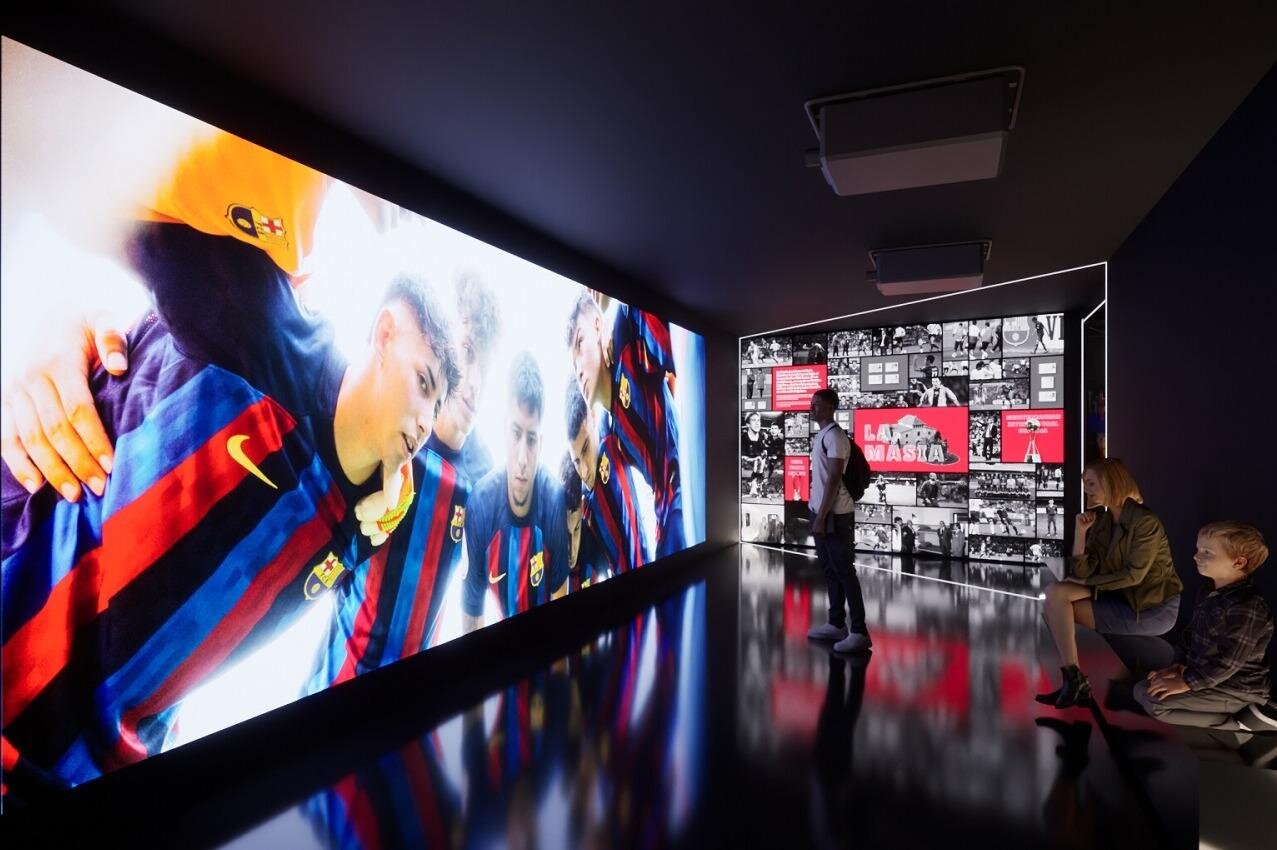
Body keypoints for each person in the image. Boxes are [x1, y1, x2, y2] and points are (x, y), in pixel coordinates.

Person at [2, 130, 461, 793]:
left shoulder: (376, 515)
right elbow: (83, 172)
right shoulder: (266, 320)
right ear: (384, 333)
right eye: (423, 382)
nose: (425, 419)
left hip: (83, 774)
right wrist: (56, 320)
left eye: (437, 401)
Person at [309, 275, 501, 691]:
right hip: (335, 679)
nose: (475, 382)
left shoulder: (485, 477)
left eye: (487, 370)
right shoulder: (393, 420)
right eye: (468, 353)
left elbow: (485, 581)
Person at [1036, 459, 1184, 709]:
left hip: (1151, 609)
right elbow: (1082, 569)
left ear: (1112, 482)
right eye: (1085, 485)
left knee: (1057, 606)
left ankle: (1076, 684)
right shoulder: (1104, 520)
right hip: (1119, 594)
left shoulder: (1145, 522)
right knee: (1054, 595)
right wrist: (1080, 532)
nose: (1086, 490)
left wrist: (1086, 582)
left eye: (1091, 483)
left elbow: (1133, 576)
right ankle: (1074, 679)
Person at [566, 292, 683, 557]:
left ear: (598, 326)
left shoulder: (626, 333)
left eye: (580, 343)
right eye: (573, 364)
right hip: (665, 518)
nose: (579, 369)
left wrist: (620, 305)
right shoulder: (610, 435)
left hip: (684, 490)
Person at [461, 354, 570, 631]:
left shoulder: (554, 502)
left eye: (531, 439)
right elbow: (472, 620)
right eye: (515, 433)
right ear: (503, 430)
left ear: (541, 443)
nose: (522, 458)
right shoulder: (480, 507)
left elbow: (561, 611)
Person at [1135, 522, 1276, 731]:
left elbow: (1229, 662)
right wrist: (1177, 667)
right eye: (1198, 549)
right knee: (1141, 689)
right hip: (1205, 677)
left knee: (1156, 703)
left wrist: (1186, 683)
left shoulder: (1248, 606)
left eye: (1207, 552)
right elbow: (1190, 636)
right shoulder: (1208, 592)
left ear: (1238, 562)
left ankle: (1243, 722)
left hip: (1237, 688)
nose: (1196, 556)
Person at [804, 389, 871, 654]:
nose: (812, 408)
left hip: (835, 515)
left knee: (844, 571)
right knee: (831, 570)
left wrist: (821, 516)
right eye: (812, 404)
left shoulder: (835, 437)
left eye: (817, 405)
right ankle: (836, 623)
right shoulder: (824, 435)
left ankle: (859, 631)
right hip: (822, 512)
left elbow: (833, 480)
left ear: (830, 407)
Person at [565, 378, 649, 576]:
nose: (584, 470)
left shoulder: (613, 430)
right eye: (576, 461)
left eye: (586, 448)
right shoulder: (582, 501)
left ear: (593, 415)